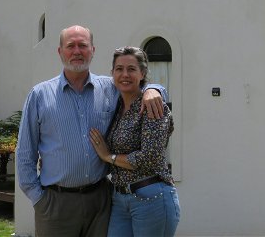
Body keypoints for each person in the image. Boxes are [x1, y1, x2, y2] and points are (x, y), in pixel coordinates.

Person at [16, 25, 167, 237]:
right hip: (56, 204)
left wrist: (155, 89)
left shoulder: (110, 88)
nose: (77, 51)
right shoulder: (40, 95)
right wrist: (39, 199)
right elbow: (25, 152)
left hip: (101, 202)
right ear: (60, 52)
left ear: (93, 50)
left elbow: (136, 84)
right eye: (71, 46)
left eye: (83, 46)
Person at [90, 46, 180, 237]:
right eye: (119, 69)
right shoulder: (115, 106)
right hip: (120, 199)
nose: (125, 74)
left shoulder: (152, 106)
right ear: (112, 73)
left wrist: (108, 156)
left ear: (143, 73)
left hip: (152, 197)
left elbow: (150, 158)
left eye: (131, 69)